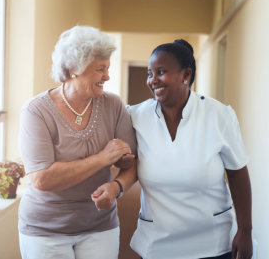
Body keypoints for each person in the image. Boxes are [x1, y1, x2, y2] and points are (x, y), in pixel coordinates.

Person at [95, 39, 253, 259]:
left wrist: (245, 231)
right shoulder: (135, 116)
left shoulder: (219, 115)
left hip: (213, 242)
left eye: (161, 72)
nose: (153, 80)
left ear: (186, 75)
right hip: (157, 243)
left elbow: (238, 173)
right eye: (150, 73)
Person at [18, 25, 137, 259]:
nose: (107, 76)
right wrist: (103, 158)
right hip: (45, 230)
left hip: (100, 225)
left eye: (108, 68)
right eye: (100, 69)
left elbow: (131, 164)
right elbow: (42, 179)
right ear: (74, 69)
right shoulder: (36, 111)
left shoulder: (113, 105)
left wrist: (116, 186)